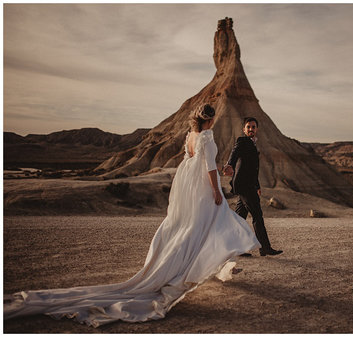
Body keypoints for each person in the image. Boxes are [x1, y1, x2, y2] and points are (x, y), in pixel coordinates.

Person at [3, 104, 261, 326]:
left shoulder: (190, 136)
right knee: (214, 221)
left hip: (189, 188)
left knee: (196, 226)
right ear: (210, 119)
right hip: (203, 188)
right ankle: (201, 267)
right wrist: (216, 190)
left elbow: (187, 163)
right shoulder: (207, 137)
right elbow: (208, 167)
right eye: (213, 118)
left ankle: (218, 266)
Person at [223, 117, 282, 256]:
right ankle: (265, 247)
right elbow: (234, 153)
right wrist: (229, 164)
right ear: (244, 129)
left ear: (257, 129)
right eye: (248, 127)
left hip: (248, 185)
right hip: (244, 186)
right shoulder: (242, 141)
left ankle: (234, 248)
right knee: (257, 215)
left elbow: (253, 169)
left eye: (253, 127)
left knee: (239, 218)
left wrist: (257, 186)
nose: (251, 129)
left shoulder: (253, 145)